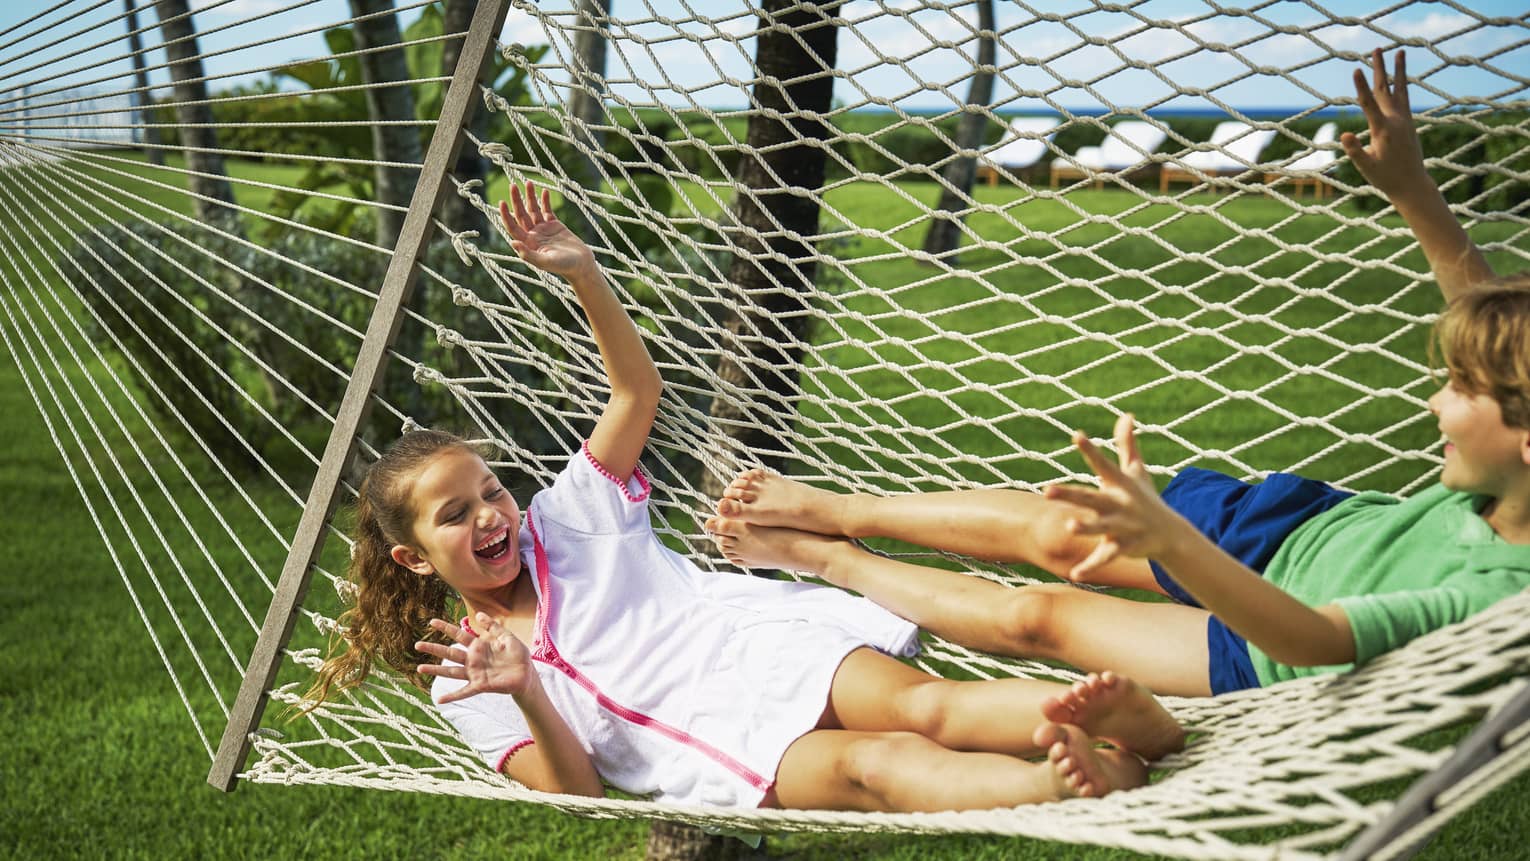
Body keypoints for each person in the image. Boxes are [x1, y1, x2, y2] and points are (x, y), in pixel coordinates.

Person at [303, 181, 1187, 812]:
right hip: (712, 752)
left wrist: (584, 275)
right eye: (457, 514)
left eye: (491, 490)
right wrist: (527, 685)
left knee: (931, 707)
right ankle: (1068, 776)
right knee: (879, 767)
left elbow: (632, 396)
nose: (493, 514)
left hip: (760, 645)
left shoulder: (570, 514)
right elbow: (578, 789)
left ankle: (1119, 719)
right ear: (413, 554)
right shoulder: (468, 683)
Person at [706, 49, 1530, 699]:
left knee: (1040, 617)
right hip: (1287, 527)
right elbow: (1496, 334)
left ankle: (826, 558)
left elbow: (1315, 637)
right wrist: (1417, 192)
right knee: (1060, 531)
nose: (1435, 398)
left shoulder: (1502, 594)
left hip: (1263, 646)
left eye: (1461, 391)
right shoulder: (1494, 484)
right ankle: (839, 507)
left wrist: (1173, 542)